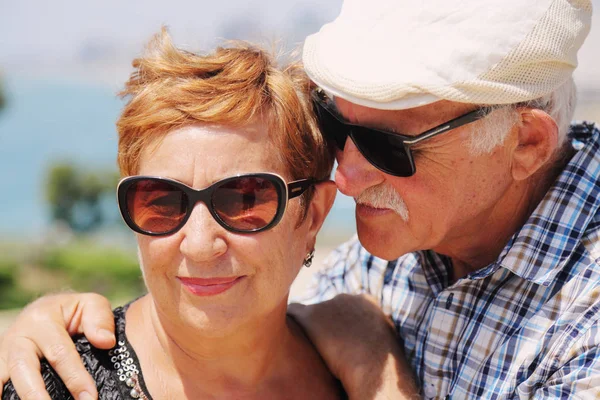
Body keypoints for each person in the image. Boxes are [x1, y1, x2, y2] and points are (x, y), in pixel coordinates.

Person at [1, 0, 597, 398]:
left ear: (525, 145)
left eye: (388, 146)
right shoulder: (400, 238)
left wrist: (373, 369)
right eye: (337, 127)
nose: (350, 172)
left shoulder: (586, 329)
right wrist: (48, 323)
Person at [1, 29, 354, 399]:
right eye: (162, 204)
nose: (200, 245)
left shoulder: (363, 372)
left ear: (313, 215)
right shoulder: (51, 387)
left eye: (245, 201)